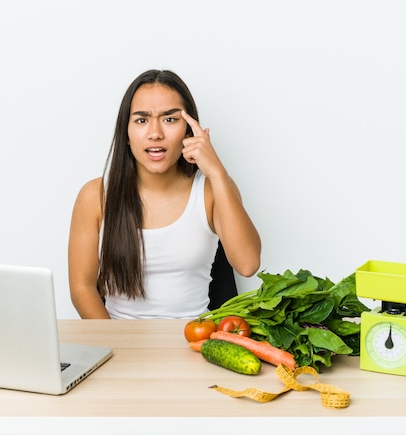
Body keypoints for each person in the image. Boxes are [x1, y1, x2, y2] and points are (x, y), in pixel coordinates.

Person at [68, 69, 261, 319]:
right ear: (125, 134)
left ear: (189, 130)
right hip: (119, 344)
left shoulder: (213, 189)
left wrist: (217, 172)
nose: (155, 132)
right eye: (141, 120)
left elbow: (248, 265)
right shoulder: (95, 196)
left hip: (195, 343)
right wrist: (117, 347)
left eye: (170, 119)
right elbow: (81, 288)